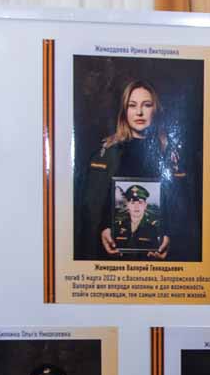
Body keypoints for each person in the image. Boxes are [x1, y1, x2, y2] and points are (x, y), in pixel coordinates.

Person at [78, 79, 183, 261]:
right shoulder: (105, 153)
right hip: (115, 258)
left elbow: (182, 210)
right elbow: (91, 207)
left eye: (147, 105)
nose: (139, 112)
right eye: (132, 105)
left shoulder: (171, 155)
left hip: (157, 260)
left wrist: (170, 236)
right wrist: (103, 229)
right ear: (124, 111)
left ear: (156, 110)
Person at [109, 184, 168, 258]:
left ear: (145, 205)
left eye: (140, 202)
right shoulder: (117, 226)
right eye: (132, 202)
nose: (136, 207)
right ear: (127, 205)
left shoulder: (155, 228)